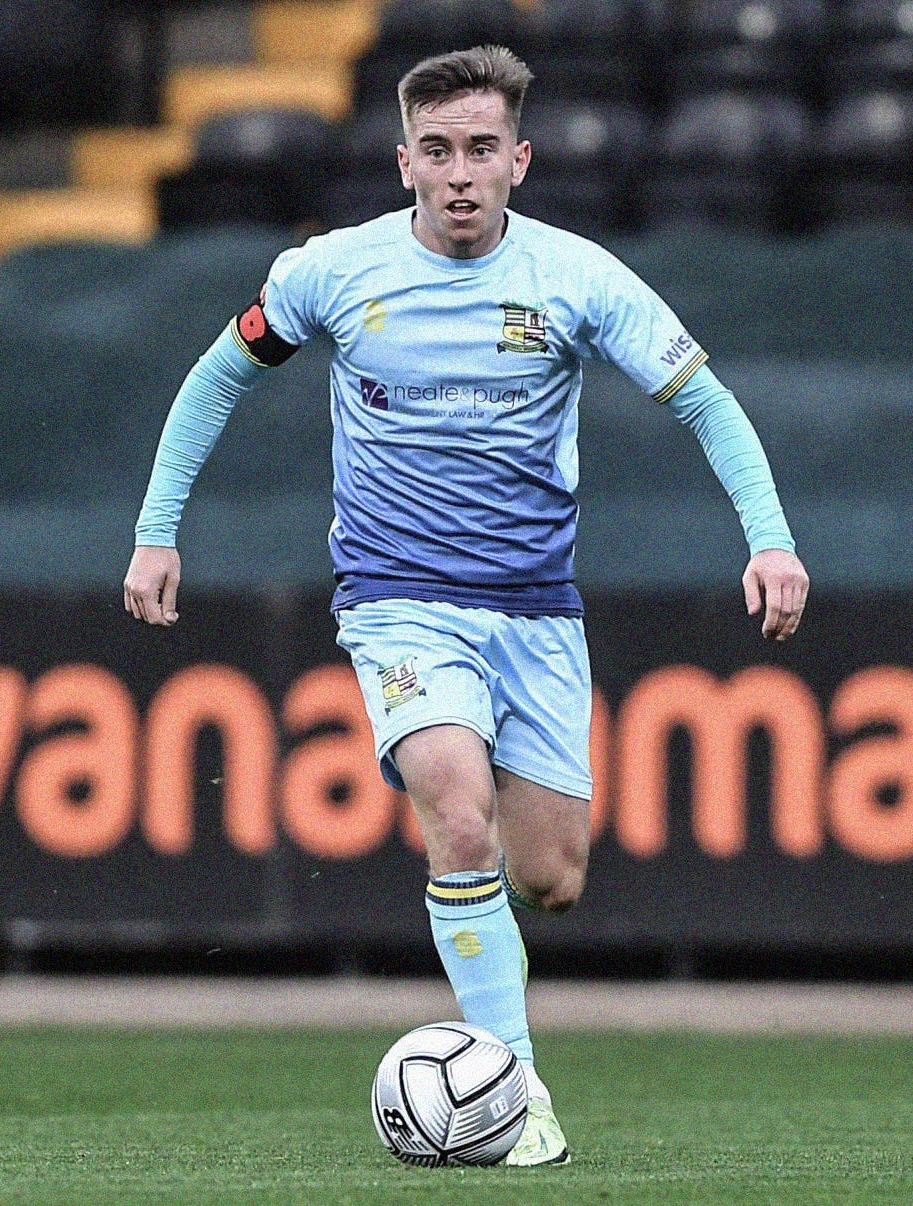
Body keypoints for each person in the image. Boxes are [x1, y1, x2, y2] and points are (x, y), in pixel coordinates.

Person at [124, 44, 807, 1166]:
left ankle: (497, 999)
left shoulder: (576, 280)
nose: (457, 172)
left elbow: (706, 403)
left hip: (534, 610)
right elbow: (217, 377)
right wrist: (159, 530)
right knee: (452, 808)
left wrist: (769, 542)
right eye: (435, 150)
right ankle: (514, 1092)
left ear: (519, 162)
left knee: (551, 879)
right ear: (402, 163)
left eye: (480, 149)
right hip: (397, 602)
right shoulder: (331, 274)